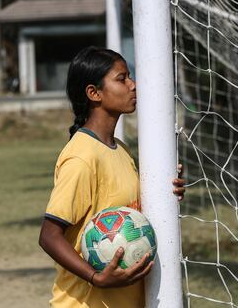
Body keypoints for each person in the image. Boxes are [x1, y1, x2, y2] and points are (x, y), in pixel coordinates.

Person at [39, 46, 186, 308]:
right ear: (94, 93)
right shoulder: (82, 157)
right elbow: (49, 236)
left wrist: (169, 191)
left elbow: (132, 210)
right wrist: (95, 277)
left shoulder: (121, 149)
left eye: (130, 76)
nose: (133, 85)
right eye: (122, 79)